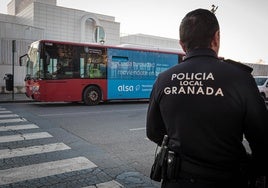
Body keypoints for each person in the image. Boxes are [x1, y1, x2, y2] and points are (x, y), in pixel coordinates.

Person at [146, 8, 268, 188]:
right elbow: (262, 140)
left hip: (176, 181)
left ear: (182, 44)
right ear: (216, 37)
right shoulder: (240, 78)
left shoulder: (163, 79)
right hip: (228, 179)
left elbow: (153, 131)